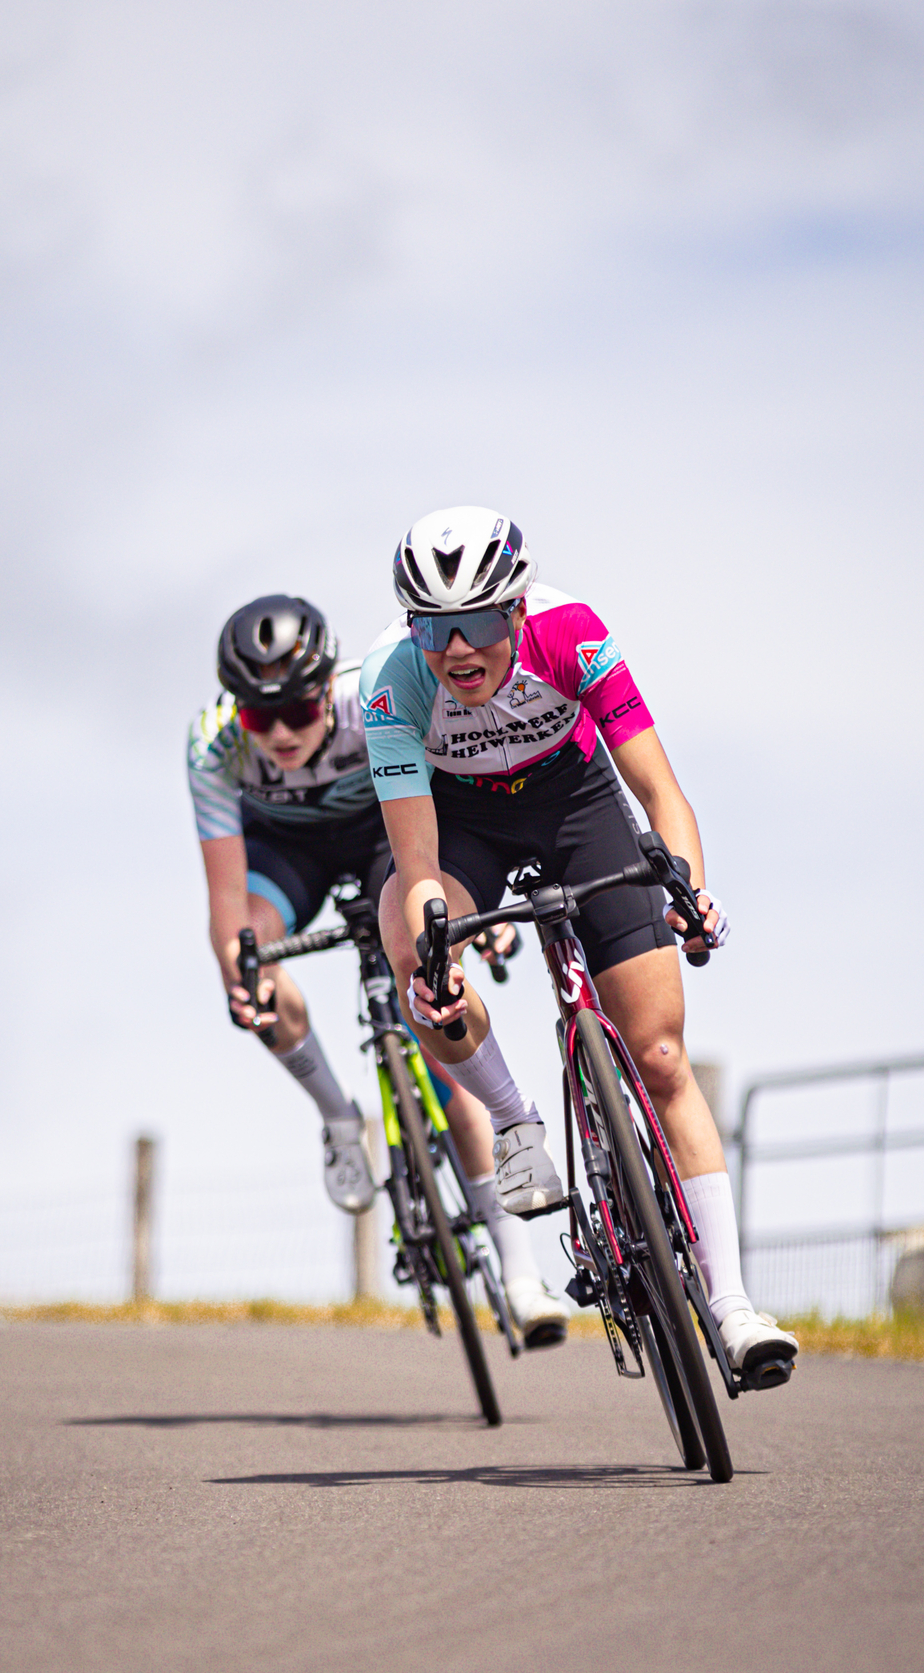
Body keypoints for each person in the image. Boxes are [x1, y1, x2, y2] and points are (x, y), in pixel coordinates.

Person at [360, 507, 797, 1388]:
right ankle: (516, 1118)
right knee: (411, 945)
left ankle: (733, 1307)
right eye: (434, 629)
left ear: (516, 611)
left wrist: (690, 887)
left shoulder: (575, 634)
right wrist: (436, 955)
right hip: (463, 822)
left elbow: (661, 792)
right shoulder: (390, 683)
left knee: (662, 1054)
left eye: (478, 622)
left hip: (576, 799)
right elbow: (418, 866)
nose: (457, 650)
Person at [191, 592, 569, 1344]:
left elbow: (443, 819)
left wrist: (464, 925)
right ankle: (338, 1116)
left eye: (298, 710)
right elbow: (228, 895)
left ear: (324, 686)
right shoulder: (212, 744)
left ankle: (522, 1273)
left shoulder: (370, 699)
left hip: (382, 837)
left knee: (428, 1011)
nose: (283, 733)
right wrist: (241, 966)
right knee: (249, 961)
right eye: (260, 719)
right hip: (285, 853)